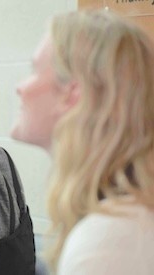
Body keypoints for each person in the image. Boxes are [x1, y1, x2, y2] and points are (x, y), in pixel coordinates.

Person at [11, 9, 154, 275]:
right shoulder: (126, 221)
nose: (21, 87)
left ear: (73, 93)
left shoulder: (109, 241)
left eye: (34, 71)